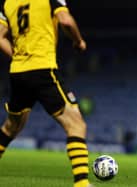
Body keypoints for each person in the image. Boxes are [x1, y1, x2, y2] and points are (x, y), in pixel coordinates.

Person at [0, 1, 94, 187]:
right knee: (76, 124)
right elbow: (66, 21)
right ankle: (82, 183)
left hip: (18, 71)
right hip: (43, 69)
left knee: (11, 127)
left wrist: (18, 57)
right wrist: (79, 41)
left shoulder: (8, 3)